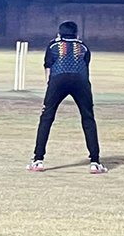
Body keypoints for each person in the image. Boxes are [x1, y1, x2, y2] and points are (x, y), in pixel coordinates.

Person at [28, 21, 103, 174]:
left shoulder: (53, 46)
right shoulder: (83, 46)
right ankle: (95, 162)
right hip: (81, 82)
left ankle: (38, 160)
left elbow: (48, 68)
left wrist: (50, 89)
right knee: (88, 118)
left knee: (47, 117)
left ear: (59, 34)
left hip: (58, 80)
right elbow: (85, 67)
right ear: (77, 34)